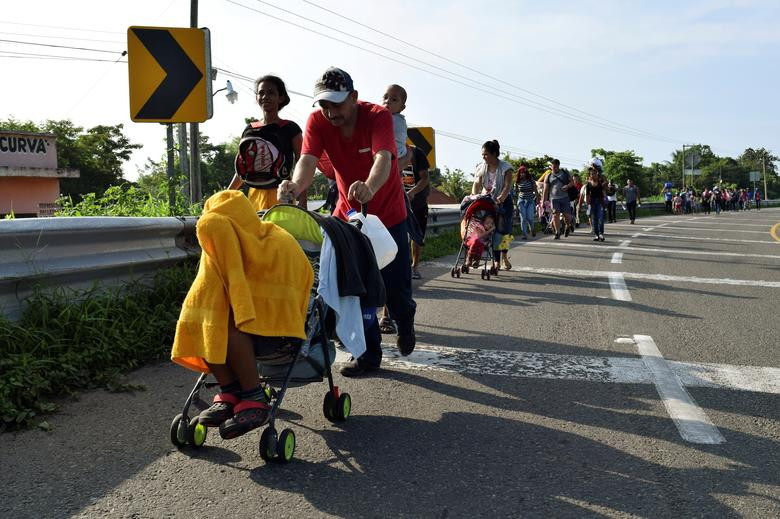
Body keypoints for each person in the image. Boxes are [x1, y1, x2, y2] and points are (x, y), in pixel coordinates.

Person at [277, 66, 417, 377]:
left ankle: (405, 322)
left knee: (395, 290)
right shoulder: (317, 121)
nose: (330, 112)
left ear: (353, 97)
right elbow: (308, 161)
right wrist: (295, 186)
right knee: (355, 286)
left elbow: (384, 157)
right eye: (324, 104)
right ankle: (368, 354)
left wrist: (369, 186)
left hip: (388, 215)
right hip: (349, 218)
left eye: (337, 104)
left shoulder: (377, 116)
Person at [228, 75, 305, 211]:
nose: (265, 96)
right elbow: (242, 168)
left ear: (281, 98)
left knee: (281, 230)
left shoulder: (290, 128)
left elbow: (302, 165)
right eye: (261, 93)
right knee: (257, 231)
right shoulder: (250, 129)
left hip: (283, 194)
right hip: (255, 195)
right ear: (257, 97)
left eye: (271, 93)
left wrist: (302, 202)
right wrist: (226, 194)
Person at [472, 140, 514, 271]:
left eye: (486, 154)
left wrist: (500, 199)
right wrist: (474, 196)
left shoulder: (506, 167)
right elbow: (477, 183)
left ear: (494, 154)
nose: (483, 157)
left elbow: (507, 186)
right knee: (492, 230)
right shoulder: (482, 167)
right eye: (482, 154)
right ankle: (496, 262)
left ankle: (505, 256)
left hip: (504, 202)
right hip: (488, 201)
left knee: (504, 232)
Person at [404, 146, 431, 278]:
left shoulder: (416, 153)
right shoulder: (389, 152)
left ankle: (414, 267)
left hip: (418, 202)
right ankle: (402, 266)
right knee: (400, 233)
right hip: (399, 202)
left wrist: (412, 192)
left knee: (417, 236)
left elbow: (425, 178)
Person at [382, 84, 412, 171]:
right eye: (385, 97)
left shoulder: (396, 120)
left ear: (402, 108)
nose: (387, 101)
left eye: (394, 99)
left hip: (396, 155)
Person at [541, 159, 574, 239]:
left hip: (564, 197)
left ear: (558, 165)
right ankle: (557, 232)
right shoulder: (548, 175)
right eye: (552, 167)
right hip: (554, 199)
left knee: (567, 217)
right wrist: (543, 201)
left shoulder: (565, 172)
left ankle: (568, 225)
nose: (554, 168)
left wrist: (568, 186)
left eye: (555, 167)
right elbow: (546, 189)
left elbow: (572, 182)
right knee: (555, 215)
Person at [515, 165, 536, 240]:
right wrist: (516, 204)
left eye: (523, 172)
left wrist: (537, 198)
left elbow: (535, 190)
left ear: (526, 173)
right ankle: (524, 234)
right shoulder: (518, 181)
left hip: (530, 200)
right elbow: (516, 192)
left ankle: (532, 228)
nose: (522, 174)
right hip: (521, 201)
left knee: (530, 218)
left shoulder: (531, 180)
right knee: (523, 218)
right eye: (521, 173)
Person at [585, 167, 606, 241]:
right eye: (591, 174)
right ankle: (596, 235)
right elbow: (587, 195)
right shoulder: (588, 184)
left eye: (594, 174)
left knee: (601, 218)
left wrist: (604, 200)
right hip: (592, 202)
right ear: (590, 176)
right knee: (594, 219)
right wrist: (588, 205)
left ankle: (601, 234)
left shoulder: (600, 182)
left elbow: (604, 191)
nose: (593, 175)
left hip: (600, 202)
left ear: (597, 175)